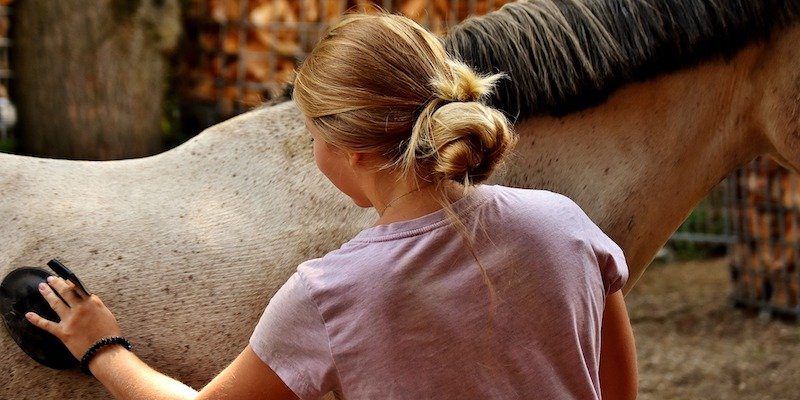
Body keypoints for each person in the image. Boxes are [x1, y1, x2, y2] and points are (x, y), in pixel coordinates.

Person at [25, 11, 637, 400]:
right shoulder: (565, 224)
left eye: (312, 133)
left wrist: (102, 348)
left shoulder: (330, 293)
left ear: (354, 152)